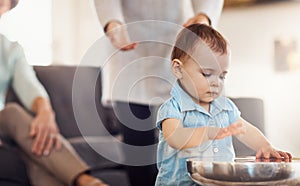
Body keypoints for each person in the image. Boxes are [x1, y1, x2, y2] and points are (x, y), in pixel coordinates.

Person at [92, 1, 224, 185]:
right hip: (128, 45)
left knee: (184, 148)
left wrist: (204, 15)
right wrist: (112, 22)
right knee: (138, 150)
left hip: (175, 38)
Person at [155, 23, 292, 185]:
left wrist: (266, 146)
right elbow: (175, 138)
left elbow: (245, 130)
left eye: (222, 76)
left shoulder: (224, 107)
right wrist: (207, 133)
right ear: (178, 69)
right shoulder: (172, 107)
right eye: (207, 74)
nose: (216, 83)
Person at [0, 0, 108, 186]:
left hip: (5, 126)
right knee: (18, 124)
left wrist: (45, 113)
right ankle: (86, 180)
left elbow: (29, 84)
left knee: (24, 127)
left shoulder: (10, 49)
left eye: (1, 4)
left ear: (7, 10)